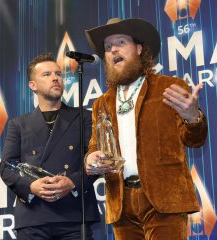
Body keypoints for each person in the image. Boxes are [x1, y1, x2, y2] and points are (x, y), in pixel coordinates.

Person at [84, 18, 208, 240]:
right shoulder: (100, 103)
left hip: (165, 200)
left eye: (120, 42)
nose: (113, 50)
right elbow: (96, 146)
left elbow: (195, 140)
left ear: (139, 49)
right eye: (107, 47)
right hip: (121, 204)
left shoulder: (170, 87)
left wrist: (193, 118)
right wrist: (91, 159)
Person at [0, 53, 100, 240]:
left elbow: (95, 163)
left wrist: (72, 183)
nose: (55, 78)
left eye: (58, 74)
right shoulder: (18, 124)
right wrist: (31, 186)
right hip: (33, 218)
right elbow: (6, 167)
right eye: (46, 75)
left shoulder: (84, 118)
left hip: (75, 216)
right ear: (33, 85)